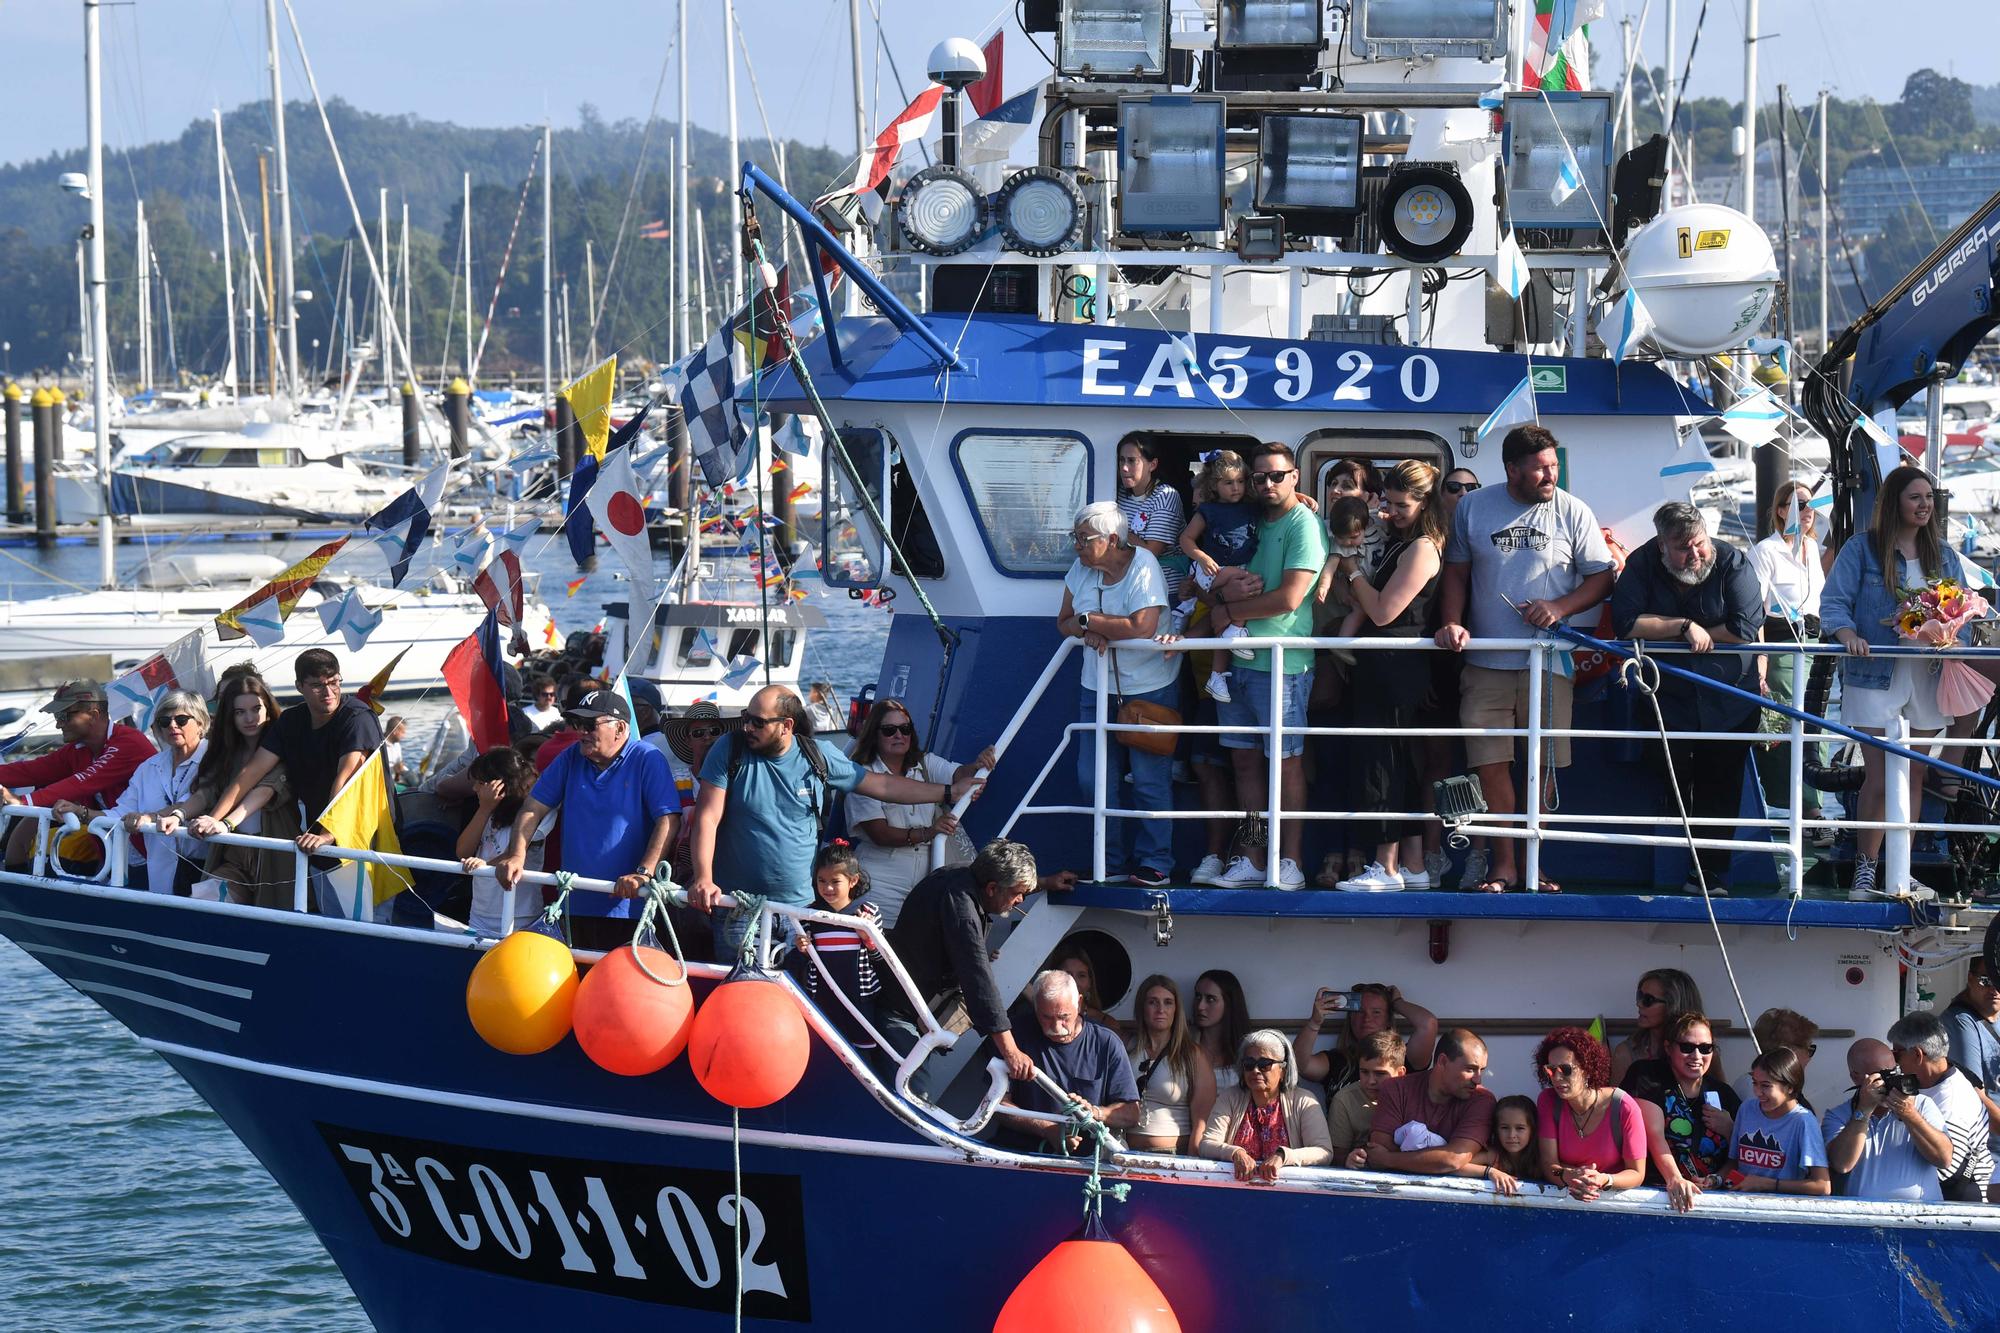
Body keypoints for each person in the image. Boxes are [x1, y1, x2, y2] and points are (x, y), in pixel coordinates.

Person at [1435, 425, 1616, 893]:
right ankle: (1505, 867)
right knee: (1490, 766)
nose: (1550, 474)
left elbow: (1601, 579)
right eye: (1540, 467)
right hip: (1485, 662)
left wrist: (1559, 608)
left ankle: (1534, 863)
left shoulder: (1573, 511)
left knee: (1543, 769)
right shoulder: (1474, 507)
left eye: (1553, 465)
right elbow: (1456, 572)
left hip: (1550, 660)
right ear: (1512, 469)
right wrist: (1452, 621)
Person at [687, 684, 980, 960]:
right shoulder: (730, 749)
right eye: (746, 718)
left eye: (758, 722)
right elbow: (707, 816)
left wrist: (948, 792)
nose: (747, 727)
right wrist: (703, 878)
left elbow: (885, 786)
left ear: (787, 726)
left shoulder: (818, 756)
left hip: (800, 909)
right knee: (742, 996)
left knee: (802, 998)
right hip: (740, 907)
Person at [1822, 466, 1974, 898]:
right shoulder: (1860, 550)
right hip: (1875, 674)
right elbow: (1834, 603)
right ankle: (1866, 870)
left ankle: (1902, 870)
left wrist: (1950, 636)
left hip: (1926, 675)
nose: (1925, 504)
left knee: (1915, 774)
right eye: (1915, 497)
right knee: (1880, 775)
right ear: (1894, 503)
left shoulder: (1942, 554)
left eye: (1929, 496)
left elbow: (1962, 615)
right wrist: (1848, 635)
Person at [1609, 502, 1766, 895]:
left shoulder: (1732, 561)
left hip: (1728, 698)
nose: (1695, 554)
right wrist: (1684, 627)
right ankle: (1671, 866)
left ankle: (1711, 875)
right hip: (1668, 700)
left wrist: (1699, 634)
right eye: (1683, 548)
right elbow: (1625, 624)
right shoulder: (1643, 564)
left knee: (1722, 787)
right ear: (1662, 545)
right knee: (1673, 782)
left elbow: (1745, 627)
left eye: (1699, 544)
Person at [1209, 442, 1328, 890]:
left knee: (1286, 764)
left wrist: (1230, 613)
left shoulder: (1305, 524)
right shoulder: (1249, 518)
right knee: (1244, 764)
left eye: (1278, 475)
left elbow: (1291, 597)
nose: (1268, 484)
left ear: (1295, 476)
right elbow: (1217, 581)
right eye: (1260, 477)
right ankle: (1255, 858)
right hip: (1239, 663)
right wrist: (1221, 602)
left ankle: (1290, 862)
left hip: (1284, 664)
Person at [492, 689, 680, 950]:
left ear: (620, 728)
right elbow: (532, 808)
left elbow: (668, 819)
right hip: (573, 900)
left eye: (590, 725)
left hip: (629, 905)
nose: (581, 732)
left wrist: (643, 874)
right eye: (579, 724)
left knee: (616, 988)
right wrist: (516, 855)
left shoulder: (647, 758)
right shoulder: (571, 757)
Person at [1334, 460, 1446, 890]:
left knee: (1381, 765)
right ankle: (1413, 866)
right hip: (1386, 667)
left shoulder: (1421, 549)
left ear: (1424, 503)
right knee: (1399, 765)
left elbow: (1383, 612)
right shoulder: (1403, 543)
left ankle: (1386, 868)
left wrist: (1353, 570)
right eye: (1391, 503)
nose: (1393, 512)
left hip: (1394, 667)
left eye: (1403, 505)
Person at [206, 650, 382, 918]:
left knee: (368, 930)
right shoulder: (291, 722)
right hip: (319, 848)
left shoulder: (357, 718)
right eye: (317, 685)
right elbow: (250, 774)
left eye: (334, 682)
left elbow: (346, 778)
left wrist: (326, 833)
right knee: (330, 930)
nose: (328, 692)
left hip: (363, 844)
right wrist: (214, 819)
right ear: (300, 686)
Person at [1058, 501, 1178, 887]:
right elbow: (1064, 622)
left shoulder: (1143, 565)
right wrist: (1086, 626)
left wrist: (1092, 622)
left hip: (1149, 688)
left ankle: (1155, 862)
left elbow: (1142, 626)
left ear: (1111, 540)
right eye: (1075, 537)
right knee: (1093, 779)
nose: (1076, 546)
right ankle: (1108, 862)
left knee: (1148, 779)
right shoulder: (1081, 568)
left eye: (1083, 539)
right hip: (1097, 686)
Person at [878, 840, 1043, 1099]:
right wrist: (1011, 1052)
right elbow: (978, 980)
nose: (1020, 900)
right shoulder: (962, 910)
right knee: (912, 1095)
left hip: (912, 1001)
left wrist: (1048, 883)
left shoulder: (963, 872)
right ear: (991, 889)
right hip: (900, 1013)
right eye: (1017, 893)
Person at [843, 696, 992, 927]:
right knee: (879, 942)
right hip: (881, 877)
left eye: (905, 728)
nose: (899, 735)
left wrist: (977, 766)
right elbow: (879, 834)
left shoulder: (925, 763)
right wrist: (929, 832)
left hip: (925, 876)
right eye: (889, 730)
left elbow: (958, 776)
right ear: (874, 734)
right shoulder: (863, 775)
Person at [0, 681, 156, 871]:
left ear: (93, 715)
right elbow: (31, 770)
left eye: (64, 716)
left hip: (151, 854)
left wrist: (22, 802)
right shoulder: (79, 749)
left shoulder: (129, 742)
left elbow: (83, 782)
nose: (58, 724)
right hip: (113, 856)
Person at [1750, 482, 1831, 839]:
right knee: (1788, 726)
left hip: (1815, 646)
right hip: (1784, 646)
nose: (1807, 510)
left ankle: (1812, 807)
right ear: (1781, 510)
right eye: (1799, 504)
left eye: (1809, 504)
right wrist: (1761, 662)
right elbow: (1756, 613)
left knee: (1816, 726)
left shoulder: (1811, 547)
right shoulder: (1766, 551)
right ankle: (1806, 810)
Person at [999, 970, 1141, 1154]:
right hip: (1018, 1154)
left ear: (1079, 1003)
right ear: (1035, 1007)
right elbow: (998, 1104)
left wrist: (1094, 1112)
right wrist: (1046, 1129)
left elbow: (1131, 1113)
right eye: (1046, 1017)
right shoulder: (1014, 1036)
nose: (1056, 1027)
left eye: (1064, 1017)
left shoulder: (1106, 1042)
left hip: (1086, 1161)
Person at [90, 691, 209, 896]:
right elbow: (123, 812)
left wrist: (149, 817)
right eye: (164, 721)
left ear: (201, 723)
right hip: (161, 877)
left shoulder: (216, 759)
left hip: (206, 869)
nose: (172, 725)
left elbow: (196, 800)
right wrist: (81, 813)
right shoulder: (150, 766)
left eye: (181, 719)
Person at [1622, 1011, 1740, 1210]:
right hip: (1654, 1198)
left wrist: (1730, 1131)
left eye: (1705, 1048)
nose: (1696, 1056)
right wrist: (1675, 1179)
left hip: (1710, 1200)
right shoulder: (1647, 1076)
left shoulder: (1723, 1093)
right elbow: (1654, 1135)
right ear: (1668, 1047)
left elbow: (1742, 1154)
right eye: (1687, 1047)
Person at [1173, 449, 1260, 703]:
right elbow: (1185, 539)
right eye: (1228, 483)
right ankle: (1234, 630)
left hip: (1232, 577)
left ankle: (1217, 676)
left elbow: (1276, 501)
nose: (1236, 488)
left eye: (1241, 481)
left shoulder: (1251, 508)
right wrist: (1202, 557)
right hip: (1210, 572)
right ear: (1214, 485)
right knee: (1246, 580)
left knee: (1231, 613)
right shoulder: (1207, 511)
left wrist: (1300, 496)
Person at [1823, 1038, 1951, 1202]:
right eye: (1881, 1075)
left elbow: (1944, 1158)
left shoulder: (1922, 1105)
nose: (1889, 1081)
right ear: (1856, 1077)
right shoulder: (1838, 1115)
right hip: (1862, 1218)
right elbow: (1842, 1164)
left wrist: (1909, 1114)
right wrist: (1863, 1111)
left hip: (1920, 1217)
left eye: (1894, 1072)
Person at [786, 840, 883, 1056]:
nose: (827, 888)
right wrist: (801, 950)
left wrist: (869, 939)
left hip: (859, 999)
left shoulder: (868, 912)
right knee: (824, 1050)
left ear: (853, 881)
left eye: (834, 881)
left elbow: (882, 960)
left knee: (861, 1054)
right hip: (821, 997)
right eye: (821, 881)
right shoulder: (808, 916)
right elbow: (798, 964)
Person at [1196, 1029, 1333, 1181]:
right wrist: (1235, 1153)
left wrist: (1284, 1156)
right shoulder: (1229, 1098)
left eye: (1264, 1064)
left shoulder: (1303, 1101)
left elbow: (1323, 1152)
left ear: (1283, 1070)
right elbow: (1206, 1145)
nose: (1255, 1071)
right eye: (1249, 1064)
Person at [1888, 1008, 1995, 1201]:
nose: (1895, 1063)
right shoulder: (1930, 1081)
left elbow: (1947, 1169)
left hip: (1964, 1204)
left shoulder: (1953, 1098)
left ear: (1918, 1055)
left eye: (1896, 1054)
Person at [1533, 1025, 1647, 1201]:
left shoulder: (1624, 1106)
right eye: (1550, 1069)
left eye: (1565, 1069)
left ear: (1587, 1069)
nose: (1556, 1077)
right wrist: (1568, 1175)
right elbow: (1549, 1165)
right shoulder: (1548, 1101)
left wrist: (1604, 1179)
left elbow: (1637, 1173)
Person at [1363, 1028, 1496, 1175]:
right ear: (1443, 1061)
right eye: (1470, 1069)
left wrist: (1389, 1159)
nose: (1478, 1080)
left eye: (1481, 1070)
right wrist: (1439, 1161)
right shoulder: (1396, 1088)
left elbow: (1453, 1159)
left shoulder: (1482, 1100)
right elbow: (1379, 1146)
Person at [454, 747, 547, 936]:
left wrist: (486, 865)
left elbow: (519, 850)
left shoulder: (533, 814)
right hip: (480, 913)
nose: (475, 789)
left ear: (500, 785)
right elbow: (462, 852)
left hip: (520, 915)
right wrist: (484, 809)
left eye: (480, 783)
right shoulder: (488, 810)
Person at [1294, 982, 1438, 1098]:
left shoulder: (1402, 1058)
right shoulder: (1337, 1059)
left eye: (1376, 1012)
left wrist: (1397, 1003)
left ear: (1388, 1019)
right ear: (1351, 1018)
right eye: (1360, 1012)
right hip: (1343, 1133)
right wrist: (1315, 1022)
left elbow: (1428, 1024)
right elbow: (1300, 1065)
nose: (1367, 1018)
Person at [1125, 974, 1217, 1154]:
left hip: (1172, 1153)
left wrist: (1192, 1163)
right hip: (1125, 1152)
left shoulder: (1192, 1055)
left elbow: (1202, 1122)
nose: (1161, 1009)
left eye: (1168, 1002)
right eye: (1153, 1002)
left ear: (1176, 1010)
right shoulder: (1127, 1048)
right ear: (1141, 1007)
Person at [1728, 1046, 1831, 1195]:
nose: (1757, 1092)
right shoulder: (1747, 1108)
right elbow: (1732, 1163)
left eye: (1765, 1086)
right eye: (1754, 1083)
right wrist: (1714, 1179)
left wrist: (1767, 1184)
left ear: (1789, 1087)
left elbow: (1822, 1186)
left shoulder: (1804, 1121)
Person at [1941, 956, 2000, 1200]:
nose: (1995, 989)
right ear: (1970, 979)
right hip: (1987, 1157)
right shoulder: (1962, 1022)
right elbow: (1972, 1091)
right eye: (1986, 980)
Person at [660, 700, 737, 882]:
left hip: (729, 868)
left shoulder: (737, 779)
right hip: (682, 873)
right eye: (698, 733)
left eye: (714, 731)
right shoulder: (672, 780)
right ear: (687, 740)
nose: (707, 737)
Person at [1116, 437, 1186, 599]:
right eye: (1121, 460)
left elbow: (1149, 553)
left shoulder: (1165, 496)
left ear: (1152, 465)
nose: (1124, 468)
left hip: (1162, 591)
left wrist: (1117, 529)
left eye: (1132, 461)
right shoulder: (1118, 492)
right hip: (1129, 586)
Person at [1610, 967, 1706, 1084]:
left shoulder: (1704, 1052)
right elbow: (1618, 1101)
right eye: (1639, 995)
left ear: (1673, 1006)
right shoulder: (1626, 1053)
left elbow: (1721, 1096)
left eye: (1648, 999)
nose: (1639, 1003)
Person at [1329, 1030, 1406, 1164]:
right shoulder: (1344, 1100)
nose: (1371, 1081)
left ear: (1400, 1073)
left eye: (1380, 1074)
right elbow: (1336, 1156)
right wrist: (1349, 1160)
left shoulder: (1414, 1096)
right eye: (1364, 1072)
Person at [1730, 1007, 1819, 1105]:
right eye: (1809, 1050)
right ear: (1790, 1053)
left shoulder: (1749, 1083)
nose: (1809, 1058)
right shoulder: (1754, 1088)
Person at [1191, 969, 1251, 1096]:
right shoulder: (1184, 1046)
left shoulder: (1248, 1049)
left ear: (1229, 1003)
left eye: (1210, 999)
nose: (1200, 1006)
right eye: (1198, 996)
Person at [1466, 1095, 1541, 1195]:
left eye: (1520, 1128)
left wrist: (1563, 1173)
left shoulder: (1541, 1157)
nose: (1511, 1135)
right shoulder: (1494, 1155)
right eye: (1505, 1128)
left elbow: (1554, 1172)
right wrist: (1490, 1172)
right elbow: (1455, 1166)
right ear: (1496, 1130)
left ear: (1532, 1130)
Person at [1045, 938, 1118, 1030]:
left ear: (1090, 983)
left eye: (1081, 975)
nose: (1074, 981)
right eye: (1067, 975)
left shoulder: (1107, 1023)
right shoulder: (1038, 1019)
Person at [382, 715, 411, 786]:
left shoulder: (397, 745)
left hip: (395, 779)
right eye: (403, 732)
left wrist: (397, 777)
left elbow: (399, 764)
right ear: (395, 732)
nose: (404, 736)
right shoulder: (380, 746)